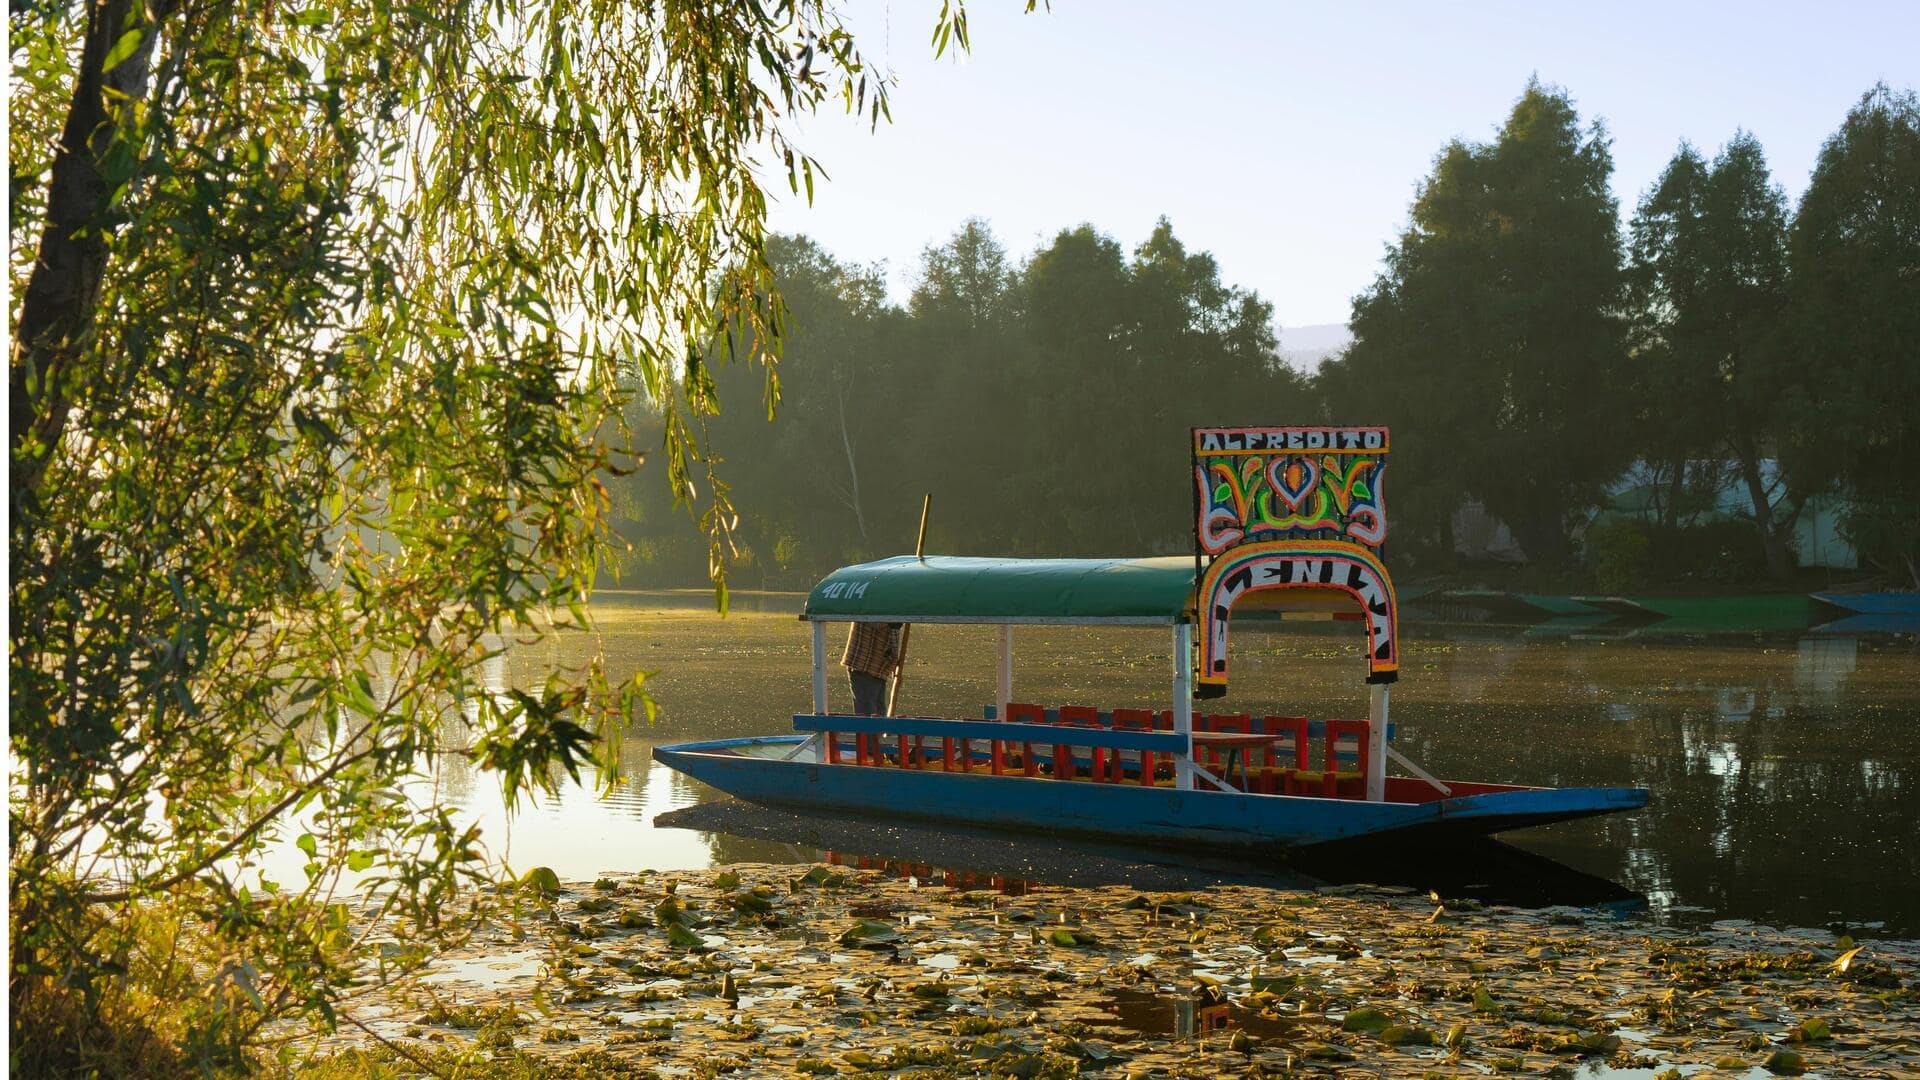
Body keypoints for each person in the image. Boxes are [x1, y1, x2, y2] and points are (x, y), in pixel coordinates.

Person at [841, 621, 903, 715]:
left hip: (879, 667)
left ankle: (879, 729)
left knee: (879, 710)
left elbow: (892, 636)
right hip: (863, 664)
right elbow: (879, 623)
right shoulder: (873, 610)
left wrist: (893, 666)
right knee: (868, 712)